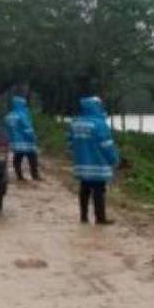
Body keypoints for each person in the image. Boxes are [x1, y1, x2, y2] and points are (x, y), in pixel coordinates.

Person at [68, 95, 119, 225]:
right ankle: (100, 218)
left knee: (84, 189)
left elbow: (70, 143)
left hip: (81, 164)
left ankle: (83, 217)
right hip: (98, 164)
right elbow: (106, 145)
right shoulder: (99, 124)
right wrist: (113, 159)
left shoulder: (76, 123)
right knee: (98, 191)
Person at [3, 95, 40, 180]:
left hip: (16, 143)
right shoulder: (22, 115)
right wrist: (34, 137)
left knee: (17, 158)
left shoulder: (9, 116)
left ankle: (19, 175)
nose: (25, 106)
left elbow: (7, 129)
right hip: (27, 142)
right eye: (24, 104)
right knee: (32, 158)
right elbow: (27, 128)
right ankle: (35, 175)